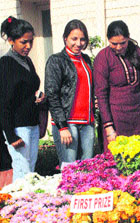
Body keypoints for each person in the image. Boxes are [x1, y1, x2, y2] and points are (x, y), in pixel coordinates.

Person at [45, 19, 95, 165]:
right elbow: (52, 95)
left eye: (82, 39)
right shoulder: (56, 61)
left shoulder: (86, 60)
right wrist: (62, 126)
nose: (78, 43)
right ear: (65, 38)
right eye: (74, 39)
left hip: (87, 123)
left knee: (88, 170)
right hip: (68, 123)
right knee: (69, 170)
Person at [0, 16, 43, 181]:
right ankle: (17, 206)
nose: (28, 46)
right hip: (19, 128)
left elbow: (26, 91)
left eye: (31, 42)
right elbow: (3, 104)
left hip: (32, 124)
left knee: (30, 172)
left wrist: (39, 97)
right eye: (23, 42)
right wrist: (11, 136)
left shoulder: (27, 61)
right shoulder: (5, 64)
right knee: (22, 173)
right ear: (11, 40)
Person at [93, 20, 140, 152]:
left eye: (122, 43)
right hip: (116, 119)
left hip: (138, 117)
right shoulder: (103, 57)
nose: (118, 47)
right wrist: (108, 127)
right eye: (114, 43)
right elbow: (101, 94)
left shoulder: (136, 51)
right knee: (118, 161)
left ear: (128, 37)